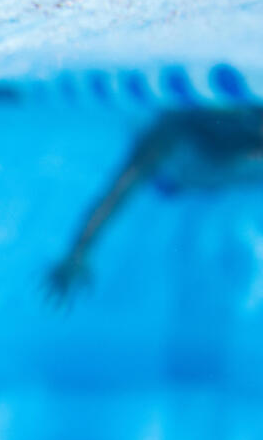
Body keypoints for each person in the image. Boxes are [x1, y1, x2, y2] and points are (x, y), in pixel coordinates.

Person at [47, 106, 263, 303]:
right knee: (163, 173)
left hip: (207, 165)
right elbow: (117, 193)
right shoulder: (171, 134)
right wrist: (79, 250)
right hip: (180, 170)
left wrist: (79, 250)